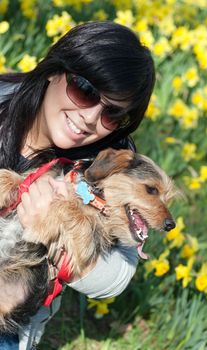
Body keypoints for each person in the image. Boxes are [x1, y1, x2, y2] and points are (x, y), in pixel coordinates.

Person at [0, 20, 155, 349]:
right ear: (56, 70)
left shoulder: (109, 168)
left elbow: (117, 277)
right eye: (84, 90)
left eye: (112, 114)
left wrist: (60, 232)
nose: (90, 118)